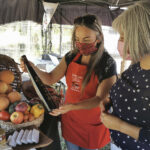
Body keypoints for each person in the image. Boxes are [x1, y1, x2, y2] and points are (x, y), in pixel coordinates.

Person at [21, 14, 117, 150]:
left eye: (86, 39)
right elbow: (50, 78)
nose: (81, 44)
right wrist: (33, 69)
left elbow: (99, 99)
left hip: (92, 124)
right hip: (71, 121)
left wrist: (71, 106)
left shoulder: (107, 64)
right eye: (77, 39)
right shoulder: (71, 56)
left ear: (99, 37)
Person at [100, 1, 150, 150]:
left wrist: (120, 126)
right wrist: (111, 101)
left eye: (123, 37)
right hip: (118, 144)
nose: (119, 42)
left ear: (142, 37)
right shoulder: (136, 66)